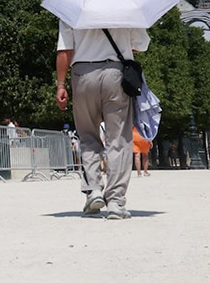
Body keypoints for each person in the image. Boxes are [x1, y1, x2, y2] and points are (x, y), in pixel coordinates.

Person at [55, 21, 150, 220]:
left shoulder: (73, 8)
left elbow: (65, 50)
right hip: (115, 72)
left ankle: (94, 191)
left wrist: (61, 84)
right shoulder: (125, 7)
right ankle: (115, 200)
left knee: (88, 135)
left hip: (82, 74)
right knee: (119, 139)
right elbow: (141, 45)